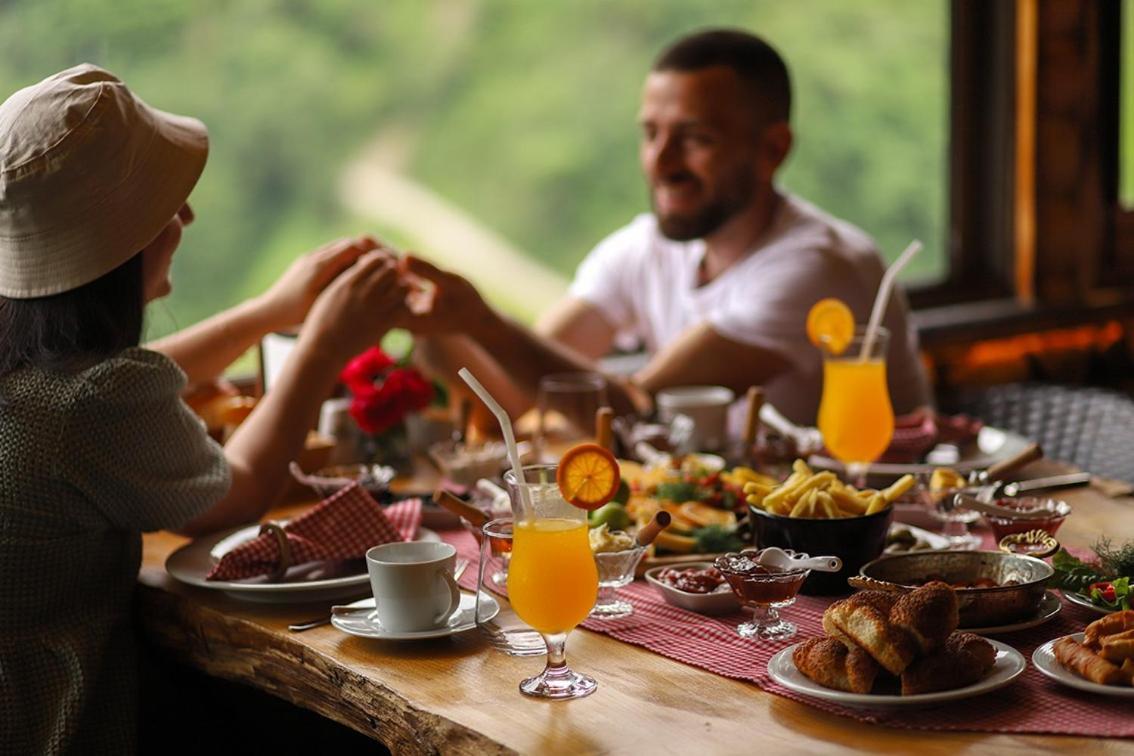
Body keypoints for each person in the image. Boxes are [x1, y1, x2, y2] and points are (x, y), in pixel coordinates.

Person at [0, 64, 407, 754]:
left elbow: (135, 384)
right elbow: (233, 493)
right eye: (165, 205)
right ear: (119, 249)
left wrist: (269, 311)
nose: (185, 217)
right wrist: (320, 350)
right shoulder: (95, 403)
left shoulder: (39, 374)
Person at [403, 28, 930, 427]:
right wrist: (443, 332)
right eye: (651, 134)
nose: (660, 162)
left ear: (773, 149)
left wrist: (484, 323)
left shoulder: (815, 269)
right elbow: (519, 393)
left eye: (695, 138)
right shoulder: (642, 248)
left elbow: (631, 410)